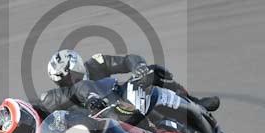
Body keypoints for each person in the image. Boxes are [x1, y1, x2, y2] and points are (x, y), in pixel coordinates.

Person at [42, 50, 219, 114]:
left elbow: (127, 60)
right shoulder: (66, 97)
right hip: (108, 121)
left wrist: (139, 67)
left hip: (123, 95)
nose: (71, 80)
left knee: (152, 74)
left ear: (78, 65)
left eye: (71, 74)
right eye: (64, 80)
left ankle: (196, 104)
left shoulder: (95, 64)